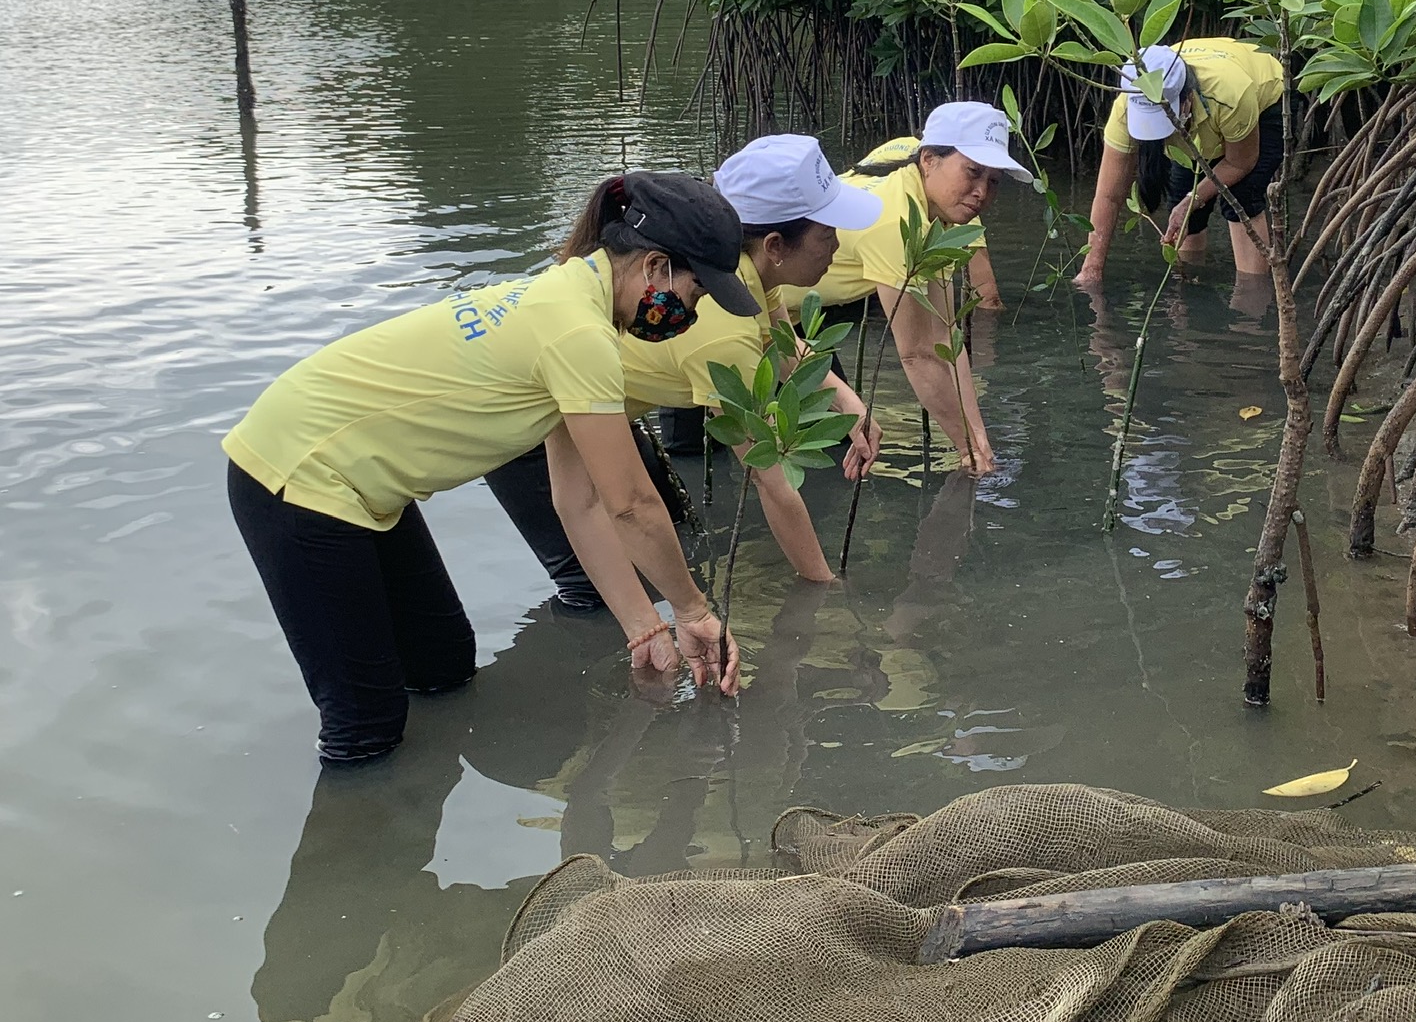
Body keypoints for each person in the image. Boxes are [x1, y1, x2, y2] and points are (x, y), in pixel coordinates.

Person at [224, 172, 747, 766]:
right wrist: (693, 611)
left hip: (363, 484)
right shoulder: (577, 332)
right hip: (297, 477)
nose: (693, 312)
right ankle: (355, 835)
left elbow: (579, 502)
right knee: (365, 727)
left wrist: (644, 629)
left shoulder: (573, 304)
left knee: (443, 668)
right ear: (655, 269)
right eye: (697, 293)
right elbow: (631, 504)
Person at [620, 134, 884, 580]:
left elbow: (779, 342)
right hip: (545, 421)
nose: (838, 247)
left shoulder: (745, 267)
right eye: (827, 234)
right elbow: (768, 477)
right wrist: (823, 588)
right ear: (776, 245)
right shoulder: (724, 324)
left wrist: (850, 405)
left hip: (604, 410)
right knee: (602, 587)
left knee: (674, 543)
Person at [804, 101, 1033, 477]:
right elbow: (917, 356)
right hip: (763, 305)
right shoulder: (896, 220)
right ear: (928, 159)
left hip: (799, 318)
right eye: (972, 172)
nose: (981, 193)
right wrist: (966, 451)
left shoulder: (937, 217)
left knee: (838, 448)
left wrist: (979, 439)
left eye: (993, 181)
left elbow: (946, 335)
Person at [1076, 38, 1286, 289]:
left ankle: (1252, 299)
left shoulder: (1231, 94)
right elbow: (1108, 196)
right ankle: (1188, 284)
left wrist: (1193, 199)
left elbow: (1241, 163)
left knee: (1240, 197)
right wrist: (1091, 270)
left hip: (1265, 96)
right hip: (1205, 112)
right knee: (1181, 200)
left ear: (1187, 99)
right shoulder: (1127, 106)